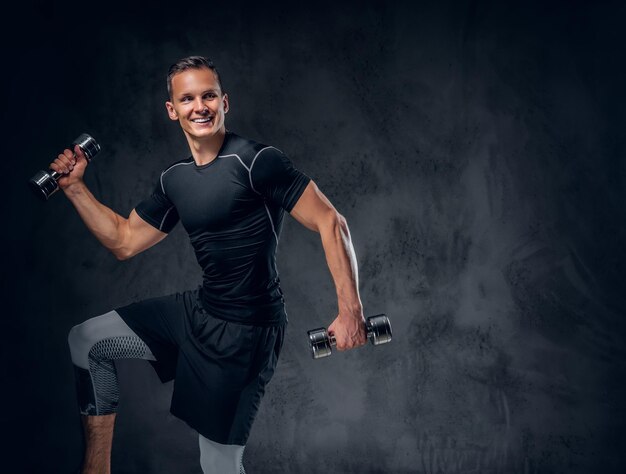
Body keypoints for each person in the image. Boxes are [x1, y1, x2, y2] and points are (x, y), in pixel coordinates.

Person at [53, 56, 367, 474]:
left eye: (208, 96)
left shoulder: (256, 161)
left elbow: (332, 221)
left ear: (224, 102)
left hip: (246, 330)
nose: (199, 106)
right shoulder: (174, 180)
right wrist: (74, 189)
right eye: (187, 98)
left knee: (218, 465)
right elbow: (124, 240)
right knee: (87, 341)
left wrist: (351, 312)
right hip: (201, 311)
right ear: (172, 109)